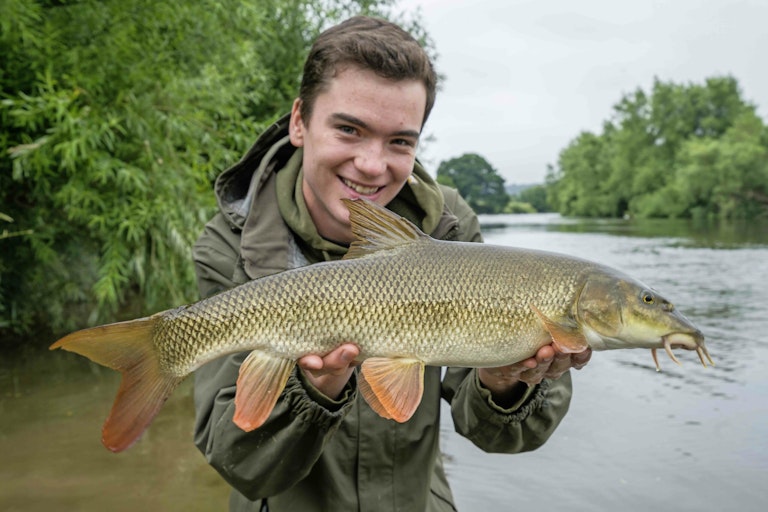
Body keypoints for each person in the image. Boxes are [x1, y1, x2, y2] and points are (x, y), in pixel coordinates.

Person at [192, 15, 591, 511]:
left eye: (399, 141)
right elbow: (240, 464)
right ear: (300, 122)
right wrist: (310, 393)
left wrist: (505, 382)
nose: (372, 164)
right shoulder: (229, 243)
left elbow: (503, 436)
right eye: (349, 129)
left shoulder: (447, 227)